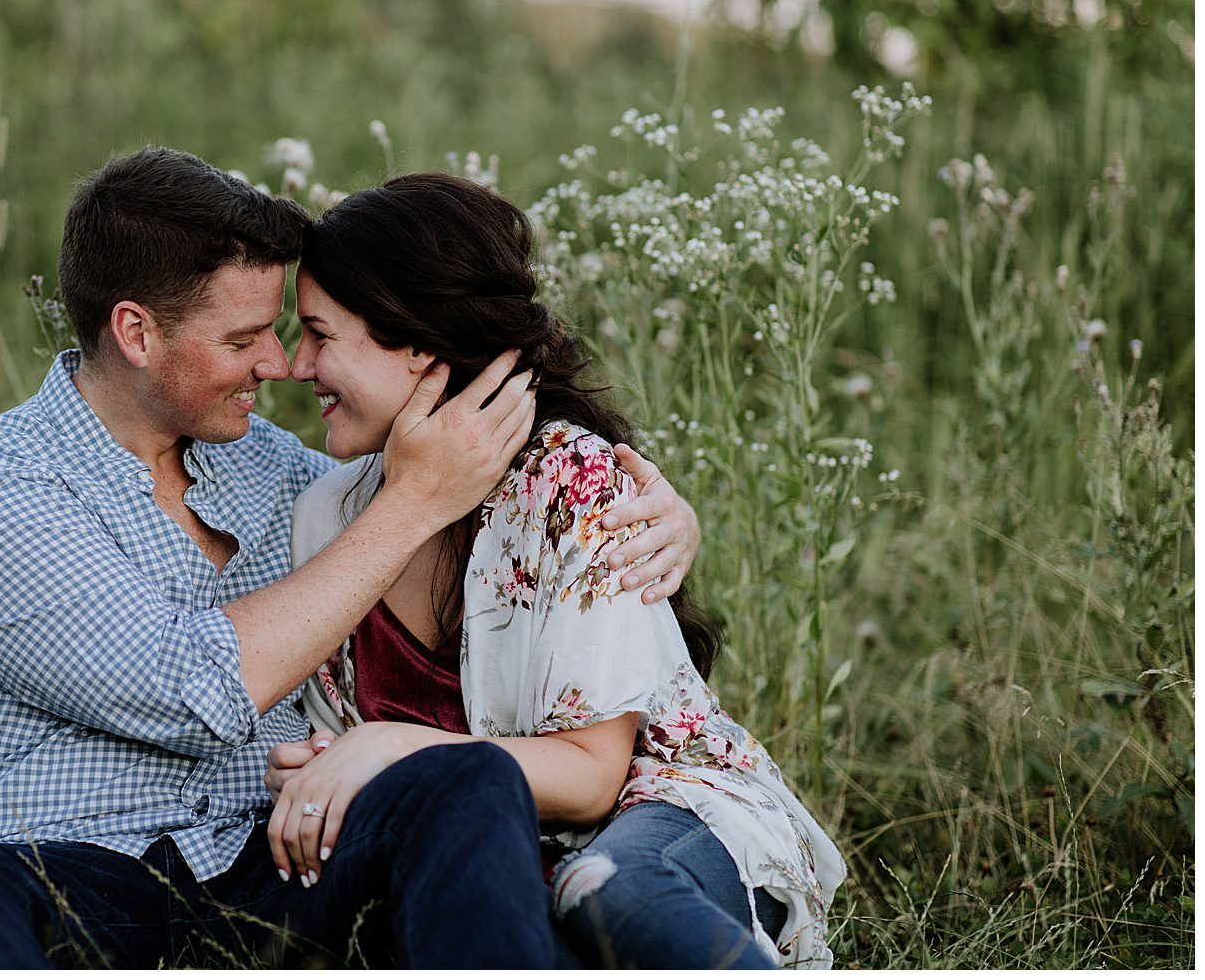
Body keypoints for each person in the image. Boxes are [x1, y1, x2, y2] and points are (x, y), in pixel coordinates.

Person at [0, 147, 704, 968]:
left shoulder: (279, 470)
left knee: (466, 783)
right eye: (245, 336)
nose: (278, 362)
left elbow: (459, 501)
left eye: (285, 329)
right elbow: (186, 689)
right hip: (68, 868)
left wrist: (648, 510)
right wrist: (410, 502)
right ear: (136, 332)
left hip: (274, 867)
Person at [267, 172, 845, 968]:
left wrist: (388, 749)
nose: (297, 367)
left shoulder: (566, 480)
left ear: (416, 344)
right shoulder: (325, 514)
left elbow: (592, 776)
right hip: (488, 856)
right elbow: (337, 751)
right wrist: (317, 772)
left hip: (655, 816)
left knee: (606, 890)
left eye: (321, 335)